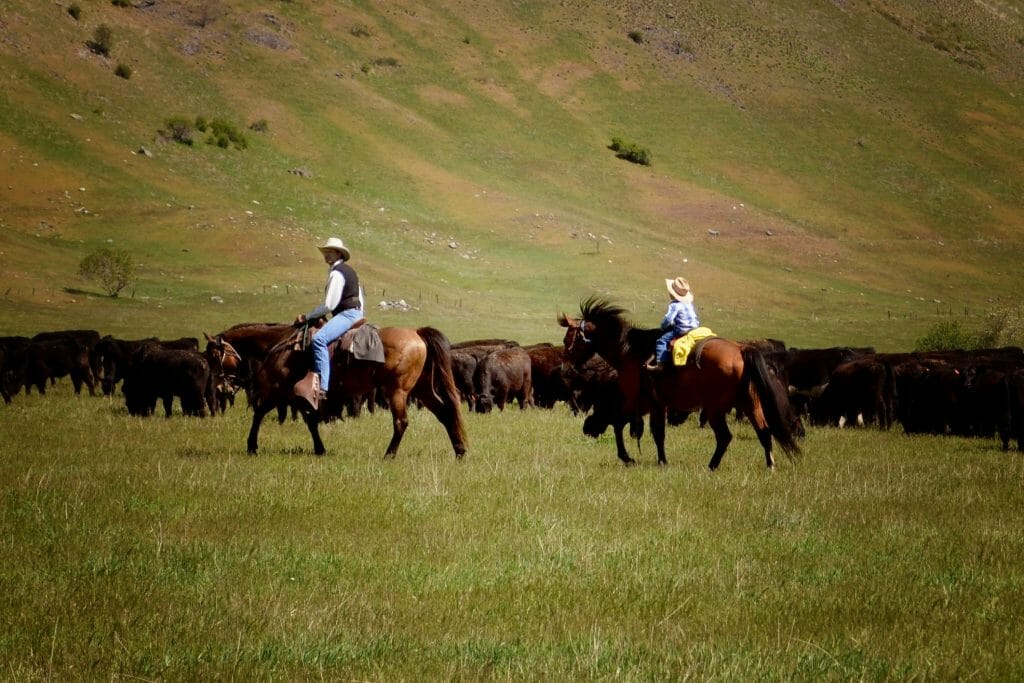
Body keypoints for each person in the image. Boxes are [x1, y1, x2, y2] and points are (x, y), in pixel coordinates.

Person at [293, 237, 364, 409]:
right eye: (326, 252)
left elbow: (329, 305)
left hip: (346, 315)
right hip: (355, 313)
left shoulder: (337, 272)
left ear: (339, 253)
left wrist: (308, 316)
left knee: (319, 340)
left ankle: (323, 387)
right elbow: (360, 297)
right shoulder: (350, 271)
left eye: (330, 251)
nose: (327, 255)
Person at [645, 276, 700, 371]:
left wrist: (662, 327)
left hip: (682, 330)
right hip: (695, 329)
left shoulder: (675, 305)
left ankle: (660, 364)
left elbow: (668, 319)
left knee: (661, 341)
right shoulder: (689, 304)